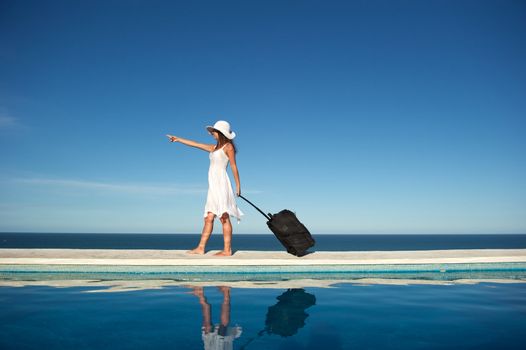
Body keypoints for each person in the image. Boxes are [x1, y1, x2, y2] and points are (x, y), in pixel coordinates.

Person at [166, 120, 243, 256]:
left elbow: (233, 166)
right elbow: (196, 144)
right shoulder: (213, 148)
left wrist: (238, 185)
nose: (212, 133)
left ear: (220, 133)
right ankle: (201, 248)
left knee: (224, 216)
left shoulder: (228, 147)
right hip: (213, 186)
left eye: (214, 131)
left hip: (221, 184)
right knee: (208, 217)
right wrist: (178, 139)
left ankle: (227, 250)